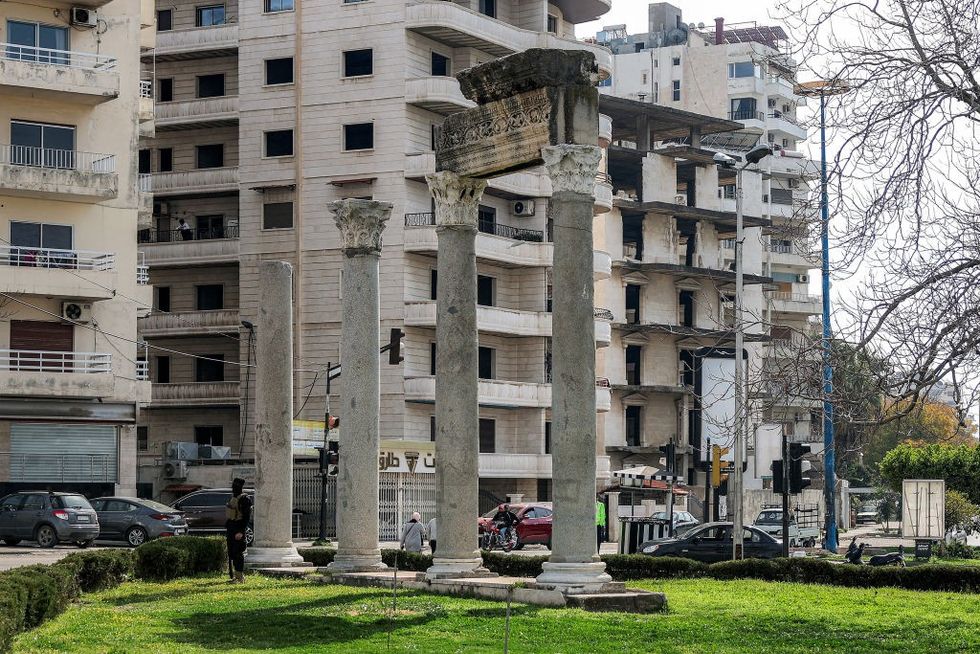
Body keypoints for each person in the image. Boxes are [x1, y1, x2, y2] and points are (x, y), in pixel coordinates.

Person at [225, 477, 252, 584]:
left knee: (238, 553)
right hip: (231, 528)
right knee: (232, 553)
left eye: (236, 486)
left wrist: (241, 531)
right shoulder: (233, 497)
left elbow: (246, 517)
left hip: (238, 529)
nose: (234, 488)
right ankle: (235, 576)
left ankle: (240, 577)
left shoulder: (245, 499)